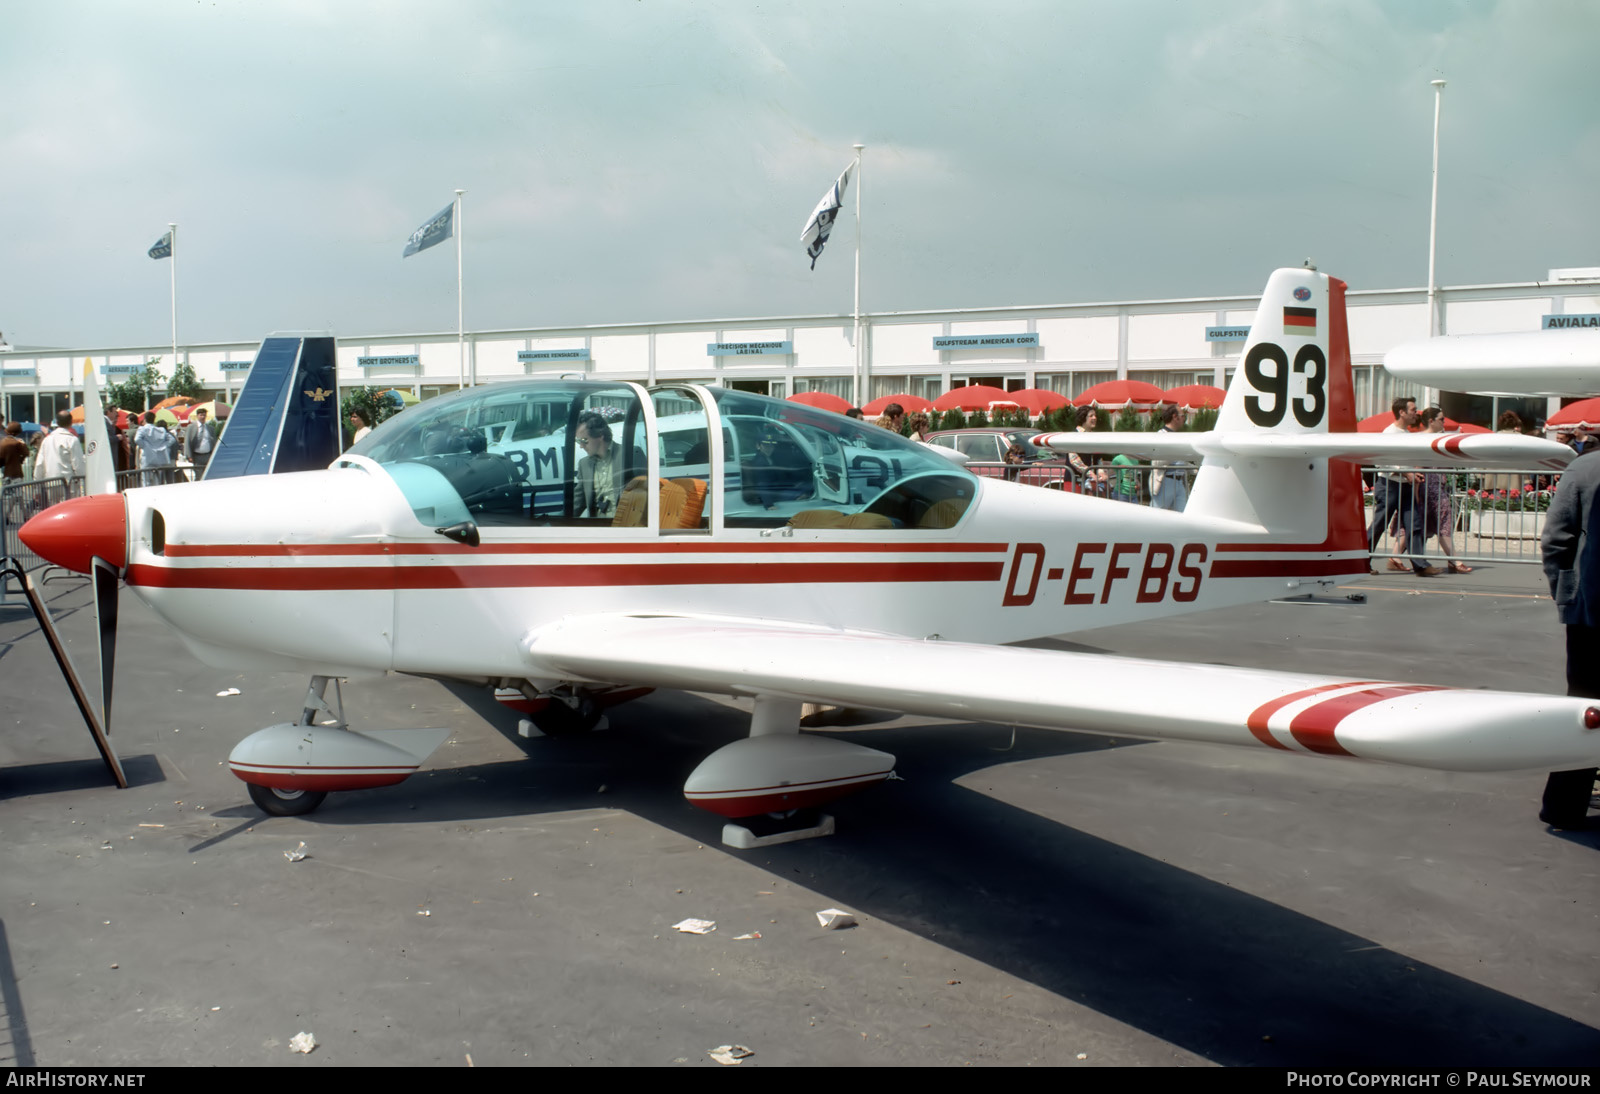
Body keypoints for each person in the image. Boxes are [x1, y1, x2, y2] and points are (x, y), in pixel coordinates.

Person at [1538, 448, 1600, 830]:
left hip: (1592, 610)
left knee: (1583, 708)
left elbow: (1556, 541)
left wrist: (1567, 594)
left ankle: (1563, 806)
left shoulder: (1585, 467)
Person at [1367, 397, 1441, 576]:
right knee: (1379, 525)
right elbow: (1382, 462)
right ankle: (1360, 561)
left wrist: (1411, 474)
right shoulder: (1389, 433)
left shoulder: (1407, 434)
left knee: (1414, 524)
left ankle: (1420, 565)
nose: (1416, 413)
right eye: (1413, 409)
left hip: (1405, 486)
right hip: (1390, 485)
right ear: (1402, 412)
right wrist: (1406, 473)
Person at [1419, 408, 1472, 573]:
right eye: (1441, 419)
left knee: (1420, 523)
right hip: (1430, 485)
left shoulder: (1434, 438)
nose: (1444, 422)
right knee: (1443, 520)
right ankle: (1454, 560)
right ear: (1431, 421)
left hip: (1431, 484)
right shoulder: (1425, 439)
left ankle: (1395, 557)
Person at [575, 410, 626, 519]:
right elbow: (577, 504)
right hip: (598, 530)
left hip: (624, 527)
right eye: (579, 441)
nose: (581, 446)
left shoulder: (628, 454)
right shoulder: (584, 465)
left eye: (584, 440)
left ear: (600, 435)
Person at [1149, 405, 1190, 511]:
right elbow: (1156, 462)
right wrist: (1176, 452)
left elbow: (1182, 461)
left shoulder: (1177, 437)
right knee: (1156, 516)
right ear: (1175, 416)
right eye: (1182, 415)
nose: (1184, 418)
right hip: (1165, 481)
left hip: (1180, 482)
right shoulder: (1160, 435)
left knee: (1182, 516)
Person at [1066, 406, 1107, 494]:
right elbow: (1074, 459)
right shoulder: (1074, 435)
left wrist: (1101, 472)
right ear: (1083, 417)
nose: (1095, 418)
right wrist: (1091, 473)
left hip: (1091, 483)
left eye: (1095, 416)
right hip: (1074, 482)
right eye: (1091, 416)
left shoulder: (1094, 437)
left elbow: (1099, 458)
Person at [36, 410, 84, 483]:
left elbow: (39, 464)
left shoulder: (46, 440)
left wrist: (37, 483)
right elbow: (78, 464)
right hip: (68, 483)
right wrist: (83, 481)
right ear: (71, 422)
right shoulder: (72, 440)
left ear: (57, 422)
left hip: (50, 482)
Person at [134, 411, 173, 485]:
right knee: (158, 481)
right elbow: (172, 439)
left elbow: (137, 439)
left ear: (145, 419)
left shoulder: (142, 429)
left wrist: (144, 446)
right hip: (159, 458)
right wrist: (164, 446)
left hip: (147, 458)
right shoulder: (161, 430)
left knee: (146, 481)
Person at [185, 408, 216, 478]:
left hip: (208, 455)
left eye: (204, 415)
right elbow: (187, 441)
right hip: (197, 456)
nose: (203, 417)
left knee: (208, 475)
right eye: (201, 415)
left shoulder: (210, 428)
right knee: (199, 476)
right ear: (197, 416)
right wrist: (189, 455)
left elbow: (213, 441)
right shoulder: (191, 427)